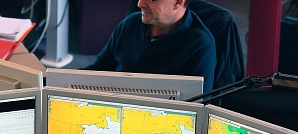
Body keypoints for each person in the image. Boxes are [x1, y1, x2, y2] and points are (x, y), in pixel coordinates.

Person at [84, 0, 217, 94]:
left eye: (152, 0)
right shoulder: (130, 24)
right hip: (118, 108)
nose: (140, 3)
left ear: (178, 2)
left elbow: (197, 107)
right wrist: (65, 83)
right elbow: (99, 69)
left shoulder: (200, 45)